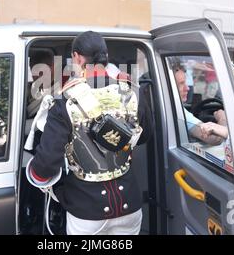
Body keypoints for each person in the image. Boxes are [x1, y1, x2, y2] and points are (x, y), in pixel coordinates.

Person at [26, 31, 152, 235]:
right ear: (106, 55)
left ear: (77, 57)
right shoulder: (132, 91)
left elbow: (47, 163)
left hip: (86, 210)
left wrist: (35, 174)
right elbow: (144, 136)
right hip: (130, 203)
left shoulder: (63, 101)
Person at [173, 63, 228, 144]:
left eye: (186, 83)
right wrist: (223, 119)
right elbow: (215, 139)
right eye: (181, 84)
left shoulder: (167, 107)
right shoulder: (177, 111)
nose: (187, 88)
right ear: (170, 87)